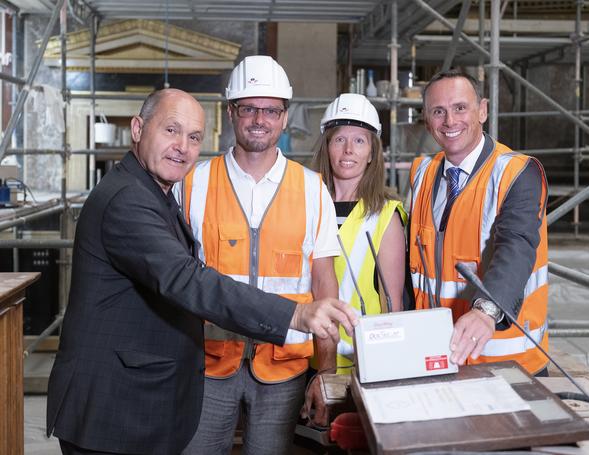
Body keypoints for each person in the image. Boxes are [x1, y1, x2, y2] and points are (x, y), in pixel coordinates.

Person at [46, 88, 358, 455]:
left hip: (149, 393)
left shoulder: (154, 192)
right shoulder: (127, 200)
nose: (182, 146)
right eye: (171, 130)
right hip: (114, 406)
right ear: (137, 129)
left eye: (193, 137)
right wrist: (295, 312)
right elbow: (187, 279)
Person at [179, 55, 340, 455]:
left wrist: (328, 372)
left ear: (284, 117)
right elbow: (174, 279)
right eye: (249, 108)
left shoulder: (312, 189)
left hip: (283, 367)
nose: (259, 119)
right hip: (208, 364)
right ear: (231, 112)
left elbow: (324, 286)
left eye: (271, 110)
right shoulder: (193, 183)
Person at [409, 69, 549, 376]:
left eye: (460, 108)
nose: (449, 121)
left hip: (507, 365)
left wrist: (487, 310)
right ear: (427, 119)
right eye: (438, 111)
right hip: (439, 357)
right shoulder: (422, 174)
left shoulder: (516, 172)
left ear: (482, 110)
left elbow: (517, 247)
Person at [305, 93, 407, 425]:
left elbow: (392, 307)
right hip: (300, 357)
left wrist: (389, 373)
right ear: (327, 147)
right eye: (340, 140)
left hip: (359, 365)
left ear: (372, 152)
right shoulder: (304, 204)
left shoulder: (385, 215)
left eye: (360, 140)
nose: (349, 150)